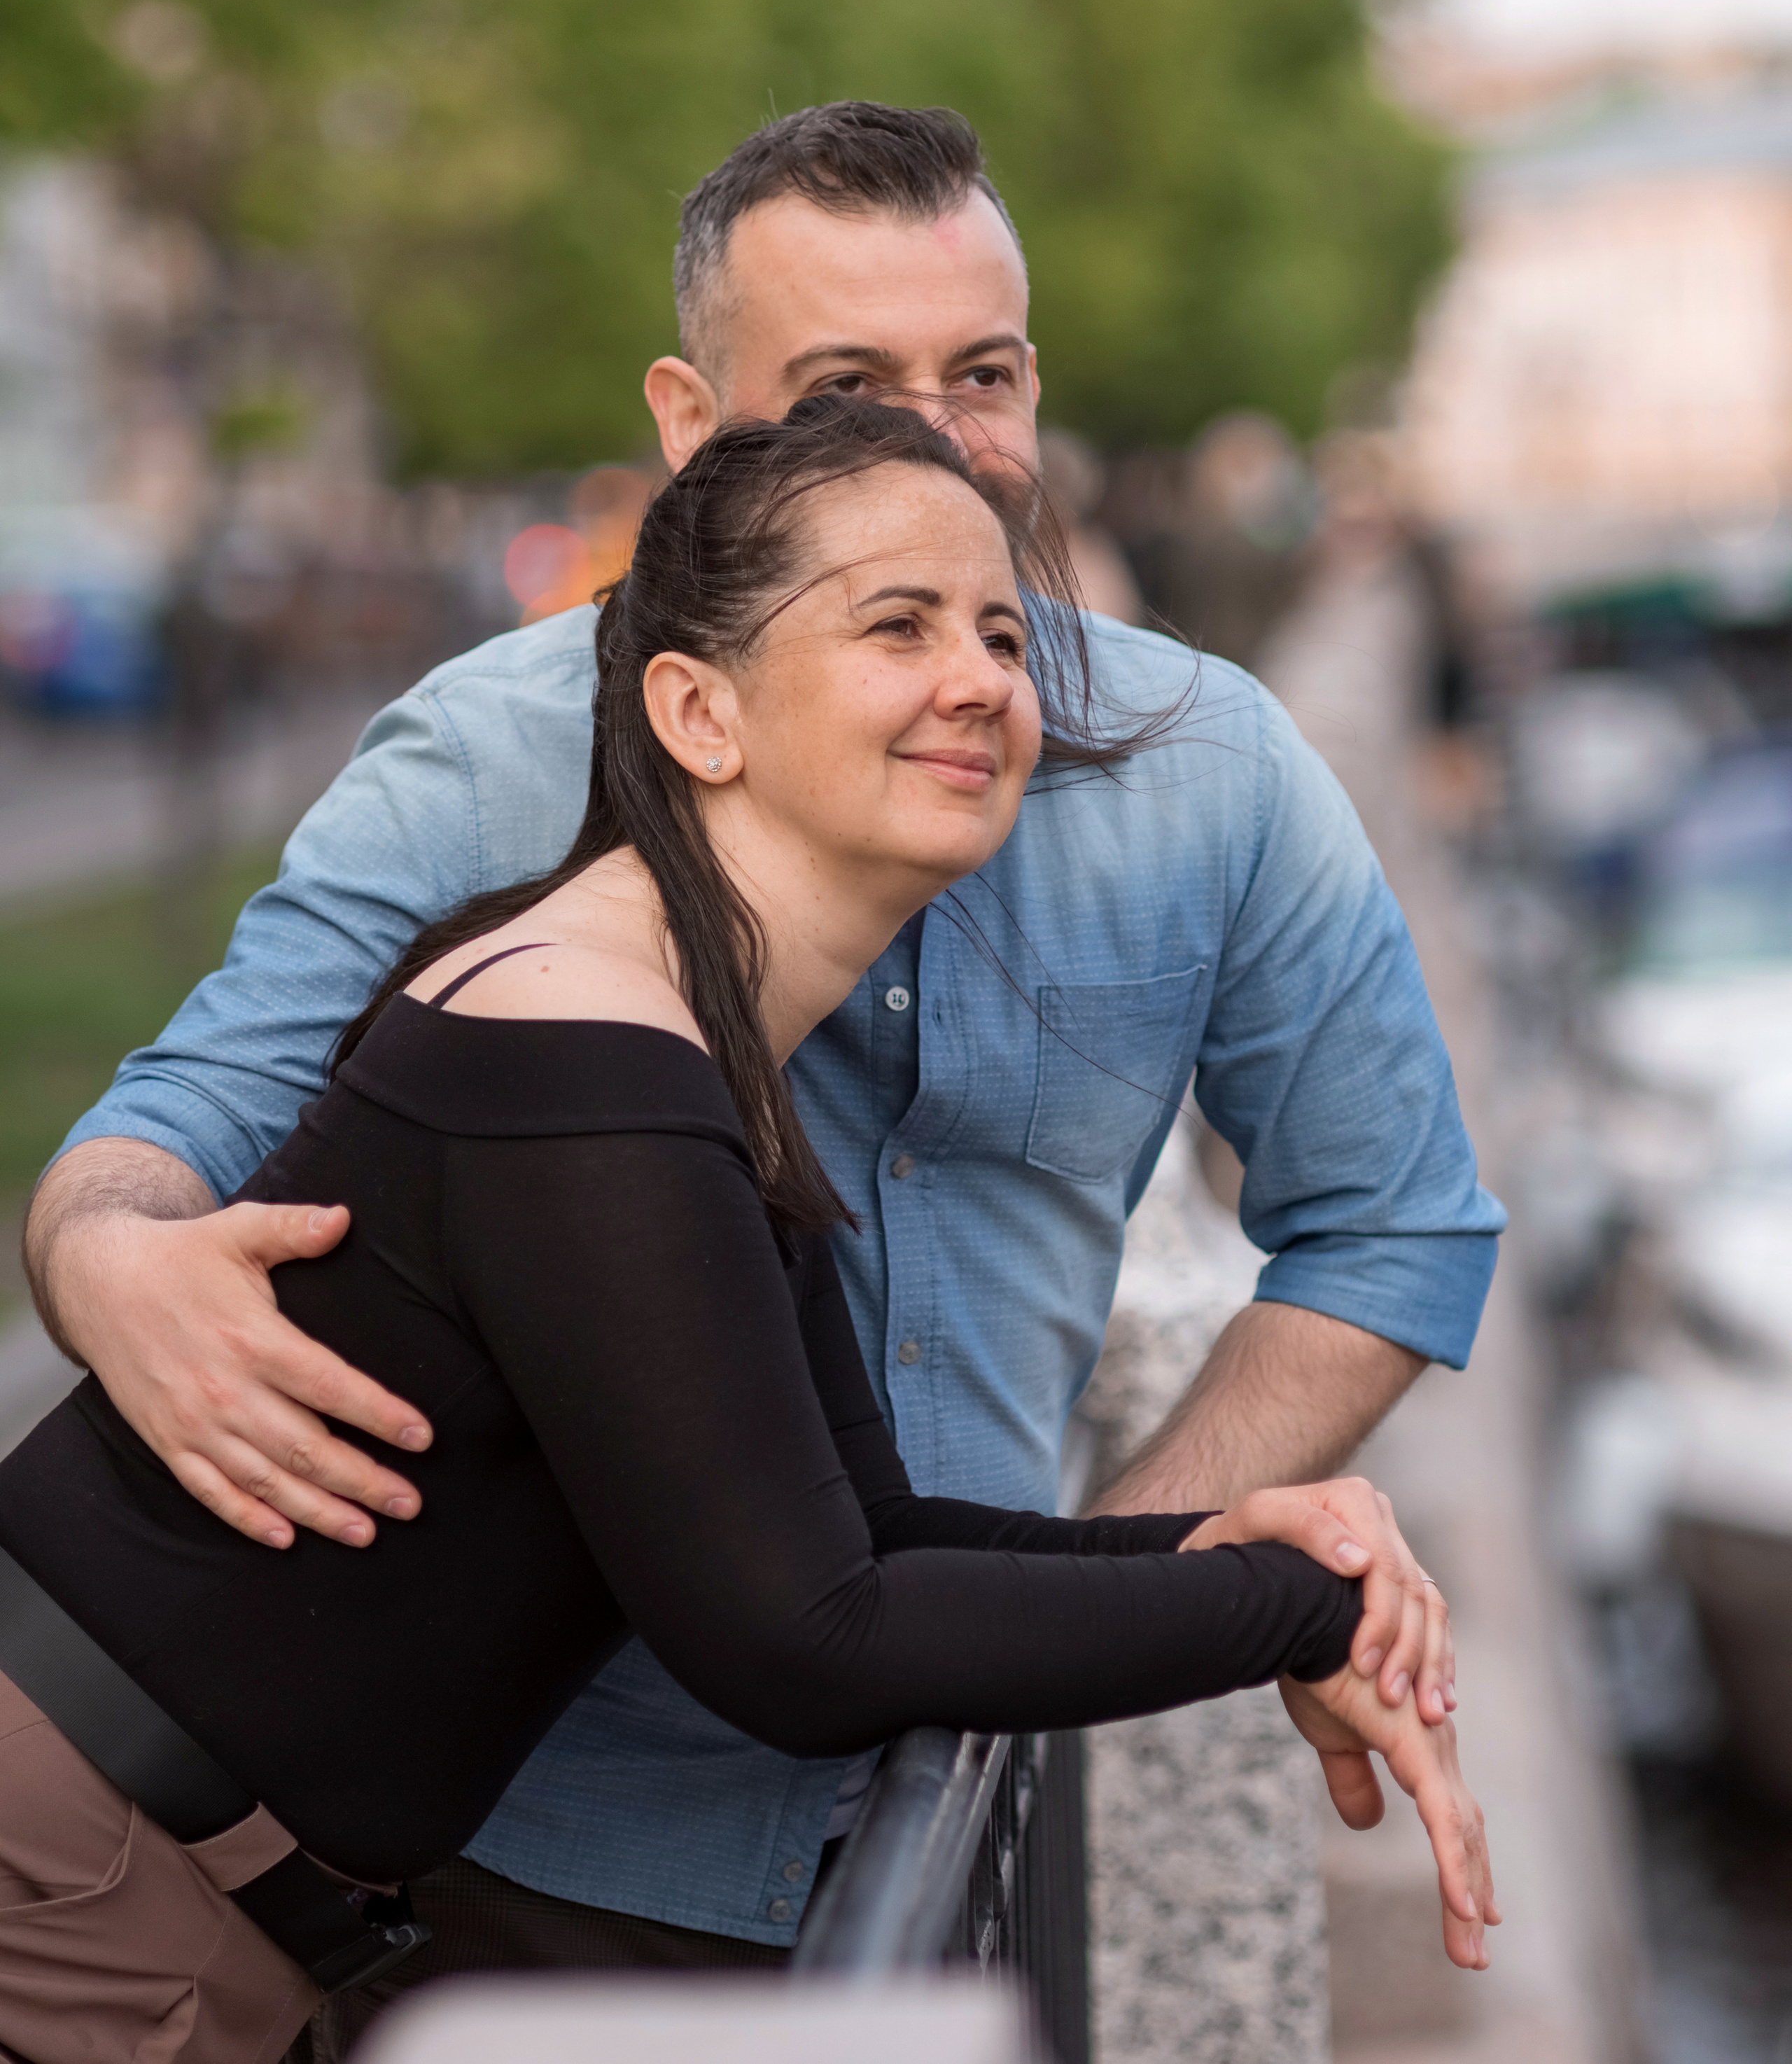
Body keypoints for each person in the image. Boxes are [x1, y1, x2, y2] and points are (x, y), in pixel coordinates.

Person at [27, 102, 1506, 1987]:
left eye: (979, 373)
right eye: (841, 384)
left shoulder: (1210, 771)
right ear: (683, 418)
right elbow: (183, 1120)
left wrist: (1136, 1583)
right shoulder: (502, 793)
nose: (926, 438)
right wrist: (106, 1256)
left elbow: (1392, 1226)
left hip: (941, 1791)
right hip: (485, 1840)